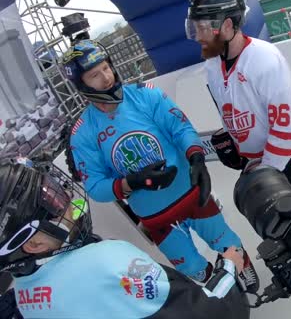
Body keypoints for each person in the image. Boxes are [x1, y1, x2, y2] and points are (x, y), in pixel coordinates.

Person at [63, 39, 259, 292]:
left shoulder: (146, 94)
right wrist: (131, 182)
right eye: (94, 75)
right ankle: (224, 284)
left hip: (191, 194)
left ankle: (241, 267)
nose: (106, 77)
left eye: (106, 67)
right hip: (156, 218)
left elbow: (180, 128)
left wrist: (196, 158)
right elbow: (95, 186)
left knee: (225, 240)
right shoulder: (82, 133)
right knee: (191, 268)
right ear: (82, 85)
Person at [0, 161, 250, 319]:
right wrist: (228, 267)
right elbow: (213, 312)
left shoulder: (25, 297)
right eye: (53, 206)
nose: (70, 204)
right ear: (33, 244)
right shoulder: (107, 262)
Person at [181, 0, 291, 186]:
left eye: (203, 28)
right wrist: (232, 141)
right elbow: (233, 107)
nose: (199, 37)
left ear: (227, 26)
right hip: (255, 162)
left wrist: (264, 172)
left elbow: (288, 129)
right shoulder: (212, 66)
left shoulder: (264, 59)